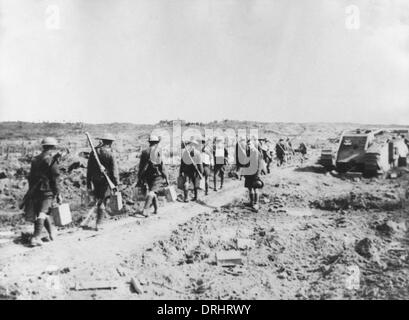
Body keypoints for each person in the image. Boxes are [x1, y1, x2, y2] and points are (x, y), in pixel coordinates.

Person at [27, 137, 62, 246]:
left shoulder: (35, 159)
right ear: (53, 147)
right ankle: (36, 237)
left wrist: (31, 191)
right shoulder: (51, 160)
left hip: (35, 190)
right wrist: (58, 193)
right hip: (47, 190)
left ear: (43, 146)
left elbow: (31, 177)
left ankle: (51, 233)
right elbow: (55, 178)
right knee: (42, 213)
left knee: (43, 212)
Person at [86, 133, 119, 231]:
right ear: (110, 142)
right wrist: (116, 183)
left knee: (100, 200)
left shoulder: (94, 152)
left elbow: (89, 169)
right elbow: (114, 171)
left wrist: (88, 182)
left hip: (95, 180)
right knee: (103, 201)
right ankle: (99, 224)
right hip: (106, 181)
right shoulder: (110, 153)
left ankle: (99, 221)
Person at [137, 134, 168, 217]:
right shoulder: (158, 151)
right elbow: (162, 165)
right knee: (152, 192)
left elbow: (141, 166)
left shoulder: (144, 152)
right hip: (157, 175)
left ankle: (156, 209)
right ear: (156, 142)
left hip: (147, 175)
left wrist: (140, 177)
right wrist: (166, 177)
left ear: (150, 142)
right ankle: (145, 209)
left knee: (153, 191)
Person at [241, 137, 264, 212]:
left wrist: (257, 175)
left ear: (253, 144)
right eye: (247, 144)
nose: (248, 146)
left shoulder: (256, 152)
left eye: (250, 144)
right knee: (249, 188)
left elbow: (259, 164)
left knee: (255, 188)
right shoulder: (248, 152)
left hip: (254, 173)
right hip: (248, 173)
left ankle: (256, 203)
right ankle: (251, 202)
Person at [180, 138, 203, 202]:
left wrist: (180, 171)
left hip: (186, 170)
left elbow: (182, 163)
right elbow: (200, 163)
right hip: (194, 171)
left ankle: (186, 198)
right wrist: (201, 172)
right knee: (195, 183)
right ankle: (196, 197)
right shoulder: (198, 153)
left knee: (186, 183)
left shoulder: (185, 152)